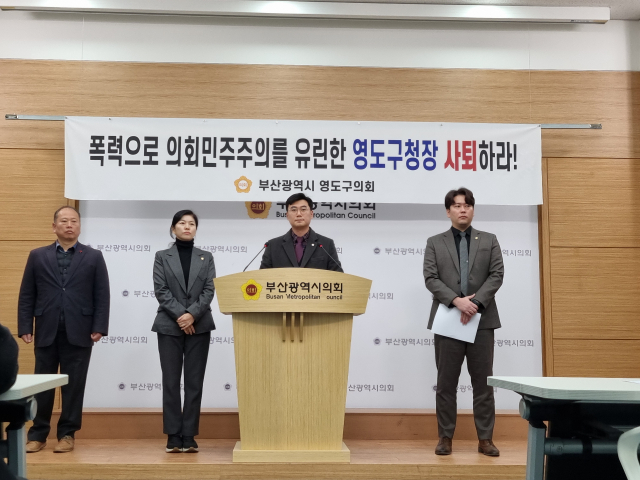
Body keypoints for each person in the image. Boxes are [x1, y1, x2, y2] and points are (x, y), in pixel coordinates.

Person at [18, 205, 110, 453]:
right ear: (54, 226)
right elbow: (27, 294)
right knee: (42, 385)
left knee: (74, 386)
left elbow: (102, 295)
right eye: (64, 221)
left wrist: (100, 326)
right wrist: (25, 325)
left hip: (80, 331)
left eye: (74, 221)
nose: (70, 225)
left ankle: (67, 434)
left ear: (79, 226)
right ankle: (38, 435)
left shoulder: (93, 256)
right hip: (46, 330)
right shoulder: (37, 255)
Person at [423, 188, 504, 457]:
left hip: (482, 321)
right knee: (446, 383)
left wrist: (475, 303)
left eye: (467, 205)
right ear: (448, 211)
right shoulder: (435, 242)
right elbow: (431, 278)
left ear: (473, 210)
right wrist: (457, 301)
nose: (462, 210)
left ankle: (485, 439)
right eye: (457, 206)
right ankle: (445, 437)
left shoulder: (489, 240)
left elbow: (496, 275)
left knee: (483, 384)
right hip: (448, 320)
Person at [153, 210, 216, 453]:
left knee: (194, 382)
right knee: (170, 382)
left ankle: (188, 435)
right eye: (182, 223)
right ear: (173, 228)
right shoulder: (162, 256)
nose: (187, 227)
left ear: (196, 229)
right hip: (169, 325)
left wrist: (192, 315)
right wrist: (182, 315)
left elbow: (209, 290)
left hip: (199, 326)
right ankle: (173, 435)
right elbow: (161, 290)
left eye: (191, 223)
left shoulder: (206, 257)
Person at [260, 193, 343, 272]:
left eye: (303, 209)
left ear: (311, 214)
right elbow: (262, 277)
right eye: (294, 210)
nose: (299, 214)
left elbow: (338, 276)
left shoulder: (326, 245)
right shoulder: (272, 246)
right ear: (287, 215)